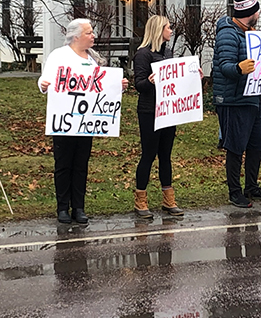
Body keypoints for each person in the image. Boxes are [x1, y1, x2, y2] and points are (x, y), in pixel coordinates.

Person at [38, 18, 129, 224]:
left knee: (81, 164)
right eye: (89, 33)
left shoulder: (92, 58)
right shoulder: (59, 56)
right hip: (64, 121)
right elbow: (46, 80)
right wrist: (43, 85)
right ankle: (62, 207)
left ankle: (78, 207)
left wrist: (117, 85)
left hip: (85, 122)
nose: (93, 36)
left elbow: (99, 85)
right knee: (63, 164)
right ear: (76, 36)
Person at [212, 0, 261, 208]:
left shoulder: (251, 33)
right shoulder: (228, 34)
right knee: (235, 146)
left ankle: (251, 185)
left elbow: (259, 64)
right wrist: (239, 69)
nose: (259, 14)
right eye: (257, 10)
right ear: (251, 13)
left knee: (257, 143)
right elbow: (224, 65)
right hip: (234, 99)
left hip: (253, 98)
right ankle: (234, 191)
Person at [132, 15, 186, 219]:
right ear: (158, 30)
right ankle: (141, 198)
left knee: (166, 155)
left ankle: (168, 197)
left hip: (168, 110)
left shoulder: (168, 53)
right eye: (168, 27)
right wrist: (150, 81)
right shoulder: (143, 55)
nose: (171, 31)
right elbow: (139, 85)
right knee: (148, 154)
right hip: (149, 111)